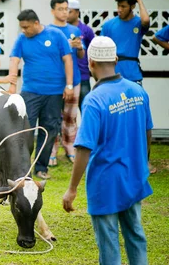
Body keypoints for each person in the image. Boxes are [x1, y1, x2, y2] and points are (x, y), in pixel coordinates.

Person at [63, 36, 152, 265]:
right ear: (115, 59)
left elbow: (83, 147)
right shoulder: (138, 91)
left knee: (108, 242)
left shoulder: (94, 100)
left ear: (90, 62)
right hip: (134, 177)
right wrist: (143, 164)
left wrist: (72, 188)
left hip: (106, 183)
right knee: (136, 236)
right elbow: (147, 132)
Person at [9, 9, 73, 180]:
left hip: (54, 92)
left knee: (49, 129)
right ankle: (23, 169)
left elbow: (68, 59)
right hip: (30, 92)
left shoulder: (56, 35)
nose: (24, 30)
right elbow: (14, 60)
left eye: (26, 27)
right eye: (22, 27)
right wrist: (12, 86)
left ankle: (41, 167)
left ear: (36, 23)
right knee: (25, 130)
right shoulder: (22, 39)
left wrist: (69, 84)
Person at [48, 0, 85, 167]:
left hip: (75, 80)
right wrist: (64, 46)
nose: (65, 12)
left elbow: (81, 56)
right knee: (53, 117)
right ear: (53, 11)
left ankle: (70, 146)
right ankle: (52, 150)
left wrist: (78, 48)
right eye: (61, 9)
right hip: (55, 81)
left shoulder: (74, 30)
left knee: (71, 117)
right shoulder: (48, 31)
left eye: (67, 9)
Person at [101, 0, 149, 85]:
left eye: (123, 6)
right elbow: (101, 50)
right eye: (118, 5)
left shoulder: (138, 23)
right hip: (112, 73)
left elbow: (146, 20)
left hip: (133, 73)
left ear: (132, 6)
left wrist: (139, 0)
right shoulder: (108, 25)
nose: (119, 9)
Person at [67, 0, 95, 109]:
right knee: (66, 113)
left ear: (77, 13)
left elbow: (92, 49)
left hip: (83, 75)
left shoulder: (86, 30)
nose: (66, 14)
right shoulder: (62, 30)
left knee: (86, 108)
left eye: (70, 11)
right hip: (66, 76)